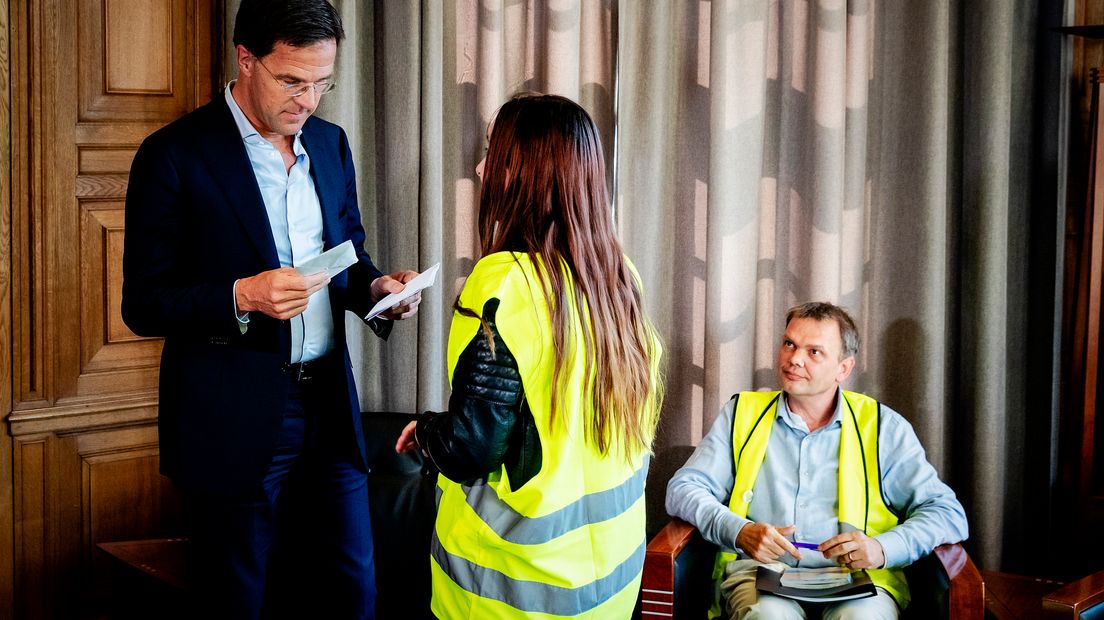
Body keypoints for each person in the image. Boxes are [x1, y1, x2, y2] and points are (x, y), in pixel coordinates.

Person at [121, 1, 420, 617]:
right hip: (229, 421)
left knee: (353, 594)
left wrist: (376, 293)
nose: (308, 100)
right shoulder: (173, 154)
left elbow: (348, 255)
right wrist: (240, 296)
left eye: (322, 82)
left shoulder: (332, 146)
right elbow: (144, 304)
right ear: (246, 59)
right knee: (240, 602)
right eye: (292, 80)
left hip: (330, 410)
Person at [394, 93, 665, 619]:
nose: (478, 167)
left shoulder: (504, 283)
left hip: (512, 591)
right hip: (609, 585)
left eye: (494, 151)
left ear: (529, 170)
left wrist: (428, 434)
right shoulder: (617, 279)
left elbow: (474, 447)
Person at [666, 302, 969, 620]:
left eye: (814, 352)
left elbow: (947, 513)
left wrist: (882, 548)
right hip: (762, 576)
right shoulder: (742, 414)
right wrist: (739, 530)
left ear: (844, 369)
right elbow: (683, 489)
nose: (794, 359)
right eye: (789, 344)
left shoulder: (882, 428)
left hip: (858, 582)